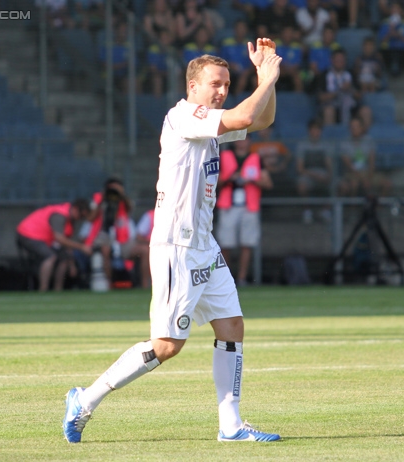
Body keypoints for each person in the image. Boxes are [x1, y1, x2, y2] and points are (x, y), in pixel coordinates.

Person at [63, 41, 283, 443]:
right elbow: (245, 114)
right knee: (166, 346)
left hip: (204, 244)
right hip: (176, 247)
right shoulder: (184, 117)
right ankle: (85, 399)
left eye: (227, 84)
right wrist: (264, 79)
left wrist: (266, 78)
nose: (221, 90)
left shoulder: (212, 121)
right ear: (193, 86)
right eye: (215, 83)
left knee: (232, 326)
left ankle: (231, 426)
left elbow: (260, 120)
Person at [216, 136, 272, 286]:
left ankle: (241, 278)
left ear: (249, 142)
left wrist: (251, 180)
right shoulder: (224, 156)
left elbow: (267, 183)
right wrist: (231, 178)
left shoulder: (256, 158)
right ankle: (226, 278)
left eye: (245, 139)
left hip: (249, 206)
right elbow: (215, 181)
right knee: (225, 243)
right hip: (228, 205)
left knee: (246, 243)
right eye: (239, 139)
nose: (241, 142)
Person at [83, 178, 150, 290]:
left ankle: (145, 285)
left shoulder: (124, 200)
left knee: (145, 250)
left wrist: (121, 195)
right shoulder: (98, 199)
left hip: (123, 239)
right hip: (104, 236)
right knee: (105, 250)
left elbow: (130, 208)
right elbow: (91, 218)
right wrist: (103, 199)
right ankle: (109, 284)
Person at [16, 199, 92, 292]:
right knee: (50, 256)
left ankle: (57, 290)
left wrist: (72, 265)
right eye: (81, 216)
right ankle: (43, 290)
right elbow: (59, 239)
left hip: (44, 239)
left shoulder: (70, 222)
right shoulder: (60, 215)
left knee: (64, 258)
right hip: (28, 234)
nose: (80, 219)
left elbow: (66, 244)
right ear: (75, 209)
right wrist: (82, 247)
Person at [319, 49, 372, 128]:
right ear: (332, 60)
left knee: (366, 111)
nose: (340, 62)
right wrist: (337, 91)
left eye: (342, 59)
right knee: (329, 111)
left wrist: (350, 89)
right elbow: (320, 97)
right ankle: (330, 138)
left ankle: (366, 139)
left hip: (350, 107)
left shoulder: (351, 73)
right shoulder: (324, 74)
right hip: (332, 106)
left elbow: (359, 96)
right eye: (337, 59)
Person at [339, 117, 391, 196]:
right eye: (352, 127)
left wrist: (368, 178)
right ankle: (353, 207)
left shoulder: (369, 141)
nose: (354, 129)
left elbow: (372, 162)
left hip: (368, 173)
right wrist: (363, 179)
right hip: (351, 174)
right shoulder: (344, 143)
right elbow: (349, 165)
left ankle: (378, 207)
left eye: (357, 127)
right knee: (354, 184)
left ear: (362, 128)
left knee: (387, 184)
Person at [377, 2, 404, 76]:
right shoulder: (385, 23)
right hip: (388, 50)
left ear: (401, 11)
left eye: (397, 9)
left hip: (403, 50)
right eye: (393, 9)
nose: (395, 11)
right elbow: (381, 41)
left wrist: (398, 35)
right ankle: (382, 74)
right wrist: (390, 32)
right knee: (378, 55)